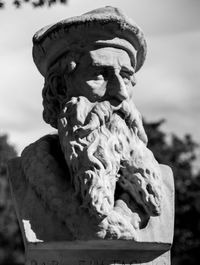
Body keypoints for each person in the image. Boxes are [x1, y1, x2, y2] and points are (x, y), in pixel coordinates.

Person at [8, 6, 174, 242]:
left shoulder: (163, 180)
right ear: (60, 88)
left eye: (126, 76)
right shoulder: (26, 173)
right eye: (100, 74)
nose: (121, 93)